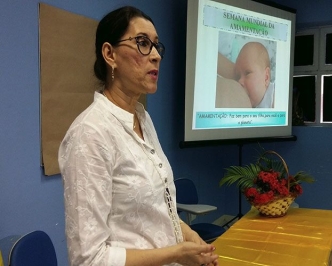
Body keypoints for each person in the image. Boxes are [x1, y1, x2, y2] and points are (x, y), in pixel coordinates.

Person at [58, 6, 219, 266]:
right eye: (142, 43)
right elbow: (89, 259)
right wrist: (176, 254)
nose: (155, 56)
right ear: (109, 54)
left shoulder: (142, 118)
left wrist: (188, 235)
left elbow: (155, 209)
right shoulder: (89, 134)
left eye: (156, 46)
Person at [234, 42, 275, 108]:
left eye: (247, 73)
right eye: (238, 76)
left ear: (266, 78)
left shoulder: (274, 96)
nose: (239, 82)